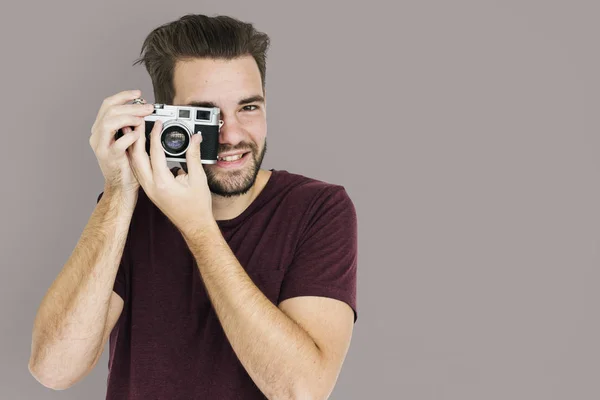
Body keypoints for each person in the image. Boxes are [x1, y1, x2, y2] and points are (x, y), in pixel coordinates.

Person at [28, 13, 358, 400]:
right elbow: (54, 369)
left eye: (249, 107)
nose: (231, 135)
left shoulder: (318, 209)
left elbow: (301, 390)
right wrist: (118, 191)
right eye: (206, 115)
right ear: (166, 119)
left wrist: (199, 230)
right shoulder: (130, 209)